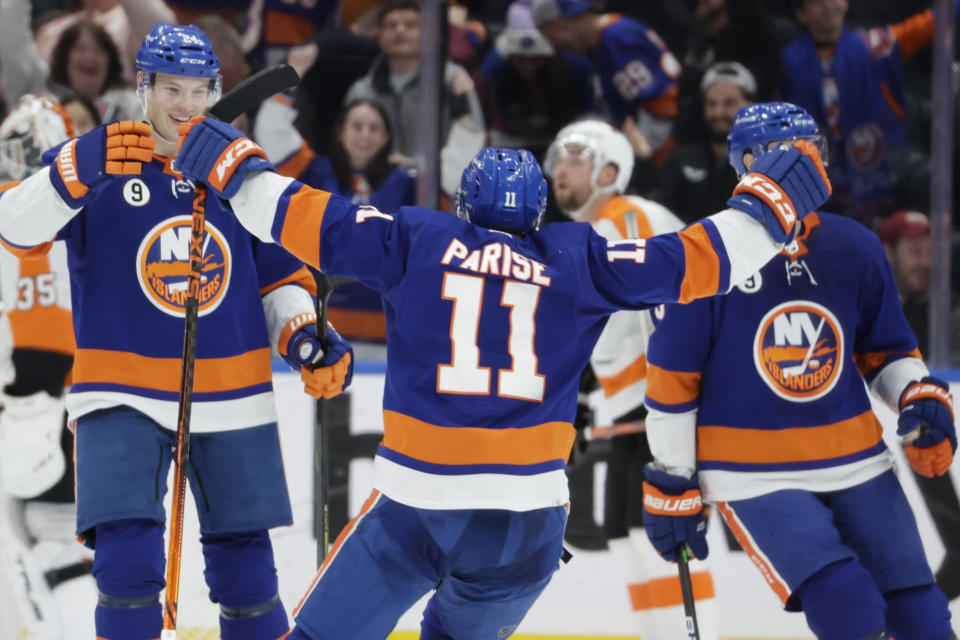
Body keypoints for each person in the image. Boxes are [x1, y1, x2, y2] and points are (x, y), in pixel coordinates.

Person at [169, 95, 832, 637]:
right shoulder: (578, 257)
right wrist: (771, 211)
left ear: (465, 205)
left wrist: (233, 167)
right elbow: (694, 262)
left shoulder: (420, 239)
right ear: (539, 212)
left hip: (417, 506)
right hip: (526, 522)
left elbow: (309, 219)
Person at [0, 23, 354, 640]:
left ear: (215, 91)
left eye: (197, 90)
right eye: (170, 88)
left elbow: (278, 275)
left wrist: (304, 334)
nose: (184, 105)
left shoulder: (241, 171)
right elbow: (14, 229)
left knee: (247, 576)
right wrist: (71, 171)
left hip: (234, 390)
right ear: (143, 88)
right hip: (120, 392)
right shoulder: (99, 161)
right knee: (127, 565)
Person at [642, 102, 957, 639]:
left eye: (818, 148)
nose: (813, 162)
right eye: (796, 150)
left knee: (920, 612)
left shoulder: (854, 244)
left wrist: (916, 395)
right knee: (847, 601)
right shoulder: (705, 252)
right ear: (749, 161)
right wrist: (673, 476)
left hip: (857, 459)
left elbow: (886, 352)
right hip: (751, 472)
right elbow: (673, 381)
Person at [543, 117, 718, 638]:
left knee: (661, 539)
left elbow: (663, 307)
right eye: (558, 157)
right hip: (627, 406)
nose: (559, 168)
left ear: (610, 169)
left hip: (658, 405)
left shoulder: (629, 216)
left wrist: (674, 395)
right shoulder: (598, 229)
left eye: (575, 156)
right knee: (626, 541)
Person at [0, 92, 100, 640]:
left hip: (69, 404)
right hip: (23, 401)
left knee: (66, 538)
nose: (23, 158)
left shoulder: (89, 213)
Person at [257, 96, 419, 342]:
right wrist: (290, 80)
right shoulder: (313, 170)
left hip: (386, 332)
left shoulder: (407, 182)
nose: (365, 135)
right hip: (319, 326)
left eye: (374, 128)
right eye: (356, 126)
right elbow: (273, 133)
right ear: (340, 131)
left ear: (387, 136)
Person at [780, 0, 939, 227]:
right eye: (817, 2)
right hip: (818, 183)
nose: (829, 6)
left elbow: (930, 23)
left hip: (882, 172)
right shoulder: (787, 62)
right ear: (801, 14)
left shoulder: (874, 45)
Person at [878, 209, 960, 601]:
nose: (924, 261)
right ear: (887, 251)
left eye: (930, 251)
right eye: (914, 251)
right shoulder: (863, 308)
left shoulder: (940, 311)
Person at [344, 0, 486, 197]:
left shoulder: (451, 80)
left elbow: (473, 139)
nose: (399, 30)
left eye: (411, 25)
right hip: (378, 197)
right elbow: (346, 152)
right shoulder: (361, 91)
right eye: (391, 25)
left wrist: (414, 167)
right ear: (380, 37)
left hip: (440, 196)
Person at [531, 0, 682, 167]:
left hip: (670, 141)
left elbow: (661, 104)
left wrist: (642, 159)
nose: (555, 46)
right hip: (660, 134)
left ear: (556, 25)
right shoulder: (607, 36)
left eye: (550, 37)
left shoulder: (615, 37)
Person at [650, 61, 755, 224]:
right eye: (711, 104)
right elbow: (656, 215)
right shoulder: (680, 159)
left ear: (751, 105)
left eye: (729, 103)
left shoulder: (765, 165)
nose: (718, 112)